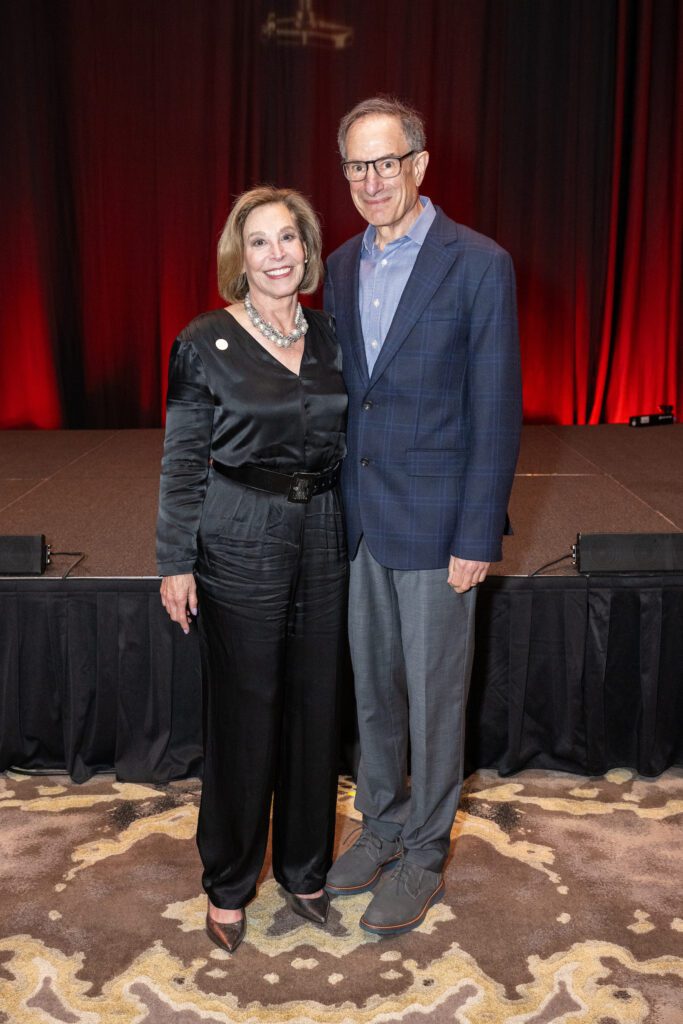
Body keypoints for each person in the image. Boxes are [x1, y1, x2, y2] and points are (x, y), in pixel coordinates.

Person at [324, 97, 522, 935]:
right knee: (371, 693)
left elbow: (495, 406)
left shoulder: (477, 262)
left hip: (441, 528)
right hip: (359, 518)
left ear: (420, 165)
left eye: (386, 162)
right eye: (356, 167)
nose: (372, 181)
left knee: (436, 700)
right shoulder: (336, 264)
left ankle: (425, 851)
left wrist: (478, 533)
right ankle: (380, 823)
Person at [157, 186, 347, 954]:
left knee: (316, 709)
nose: (277, 254)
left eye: (289, 239)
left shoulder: (333, 335)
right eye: (260, 241)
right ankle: (229, 882)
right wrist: (175, 560)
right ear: (241, 256)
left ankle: (304, 870)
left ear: (306, 249)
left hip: (325, 531)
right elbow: (180, 462)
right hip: (238, 532)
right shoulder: (204, 340)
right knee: (244, 715)